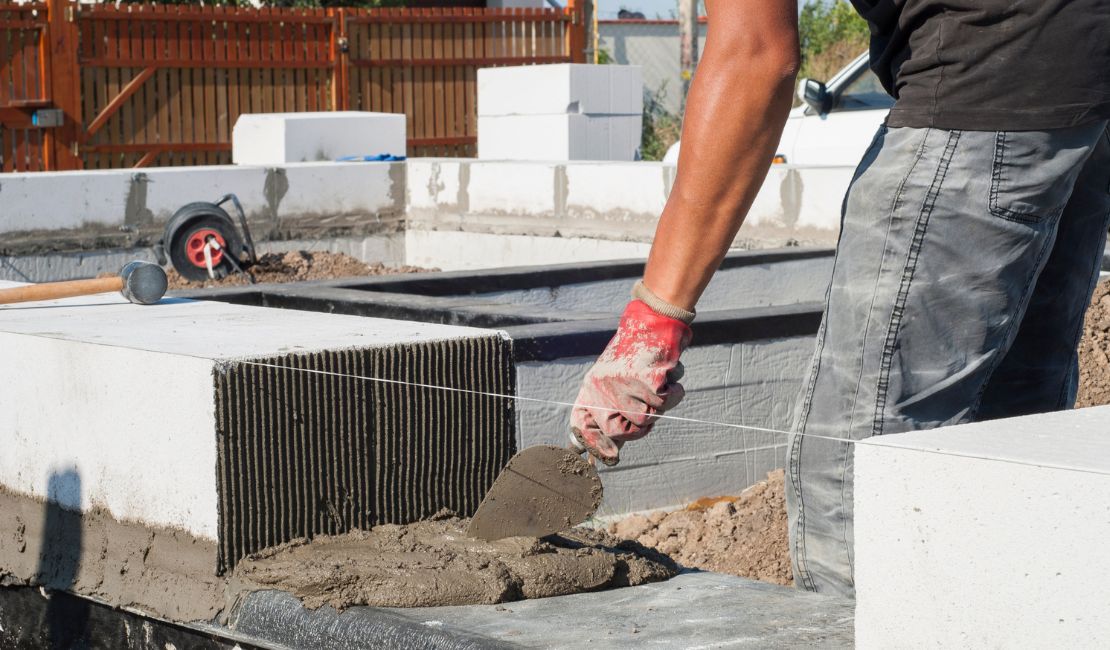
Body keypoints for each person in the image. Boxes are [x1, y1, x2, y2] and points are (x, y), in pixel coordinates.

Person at [568, 0, 1110, 596]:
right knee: (1008, 421)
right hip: (1087, 77)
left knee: (856, 462)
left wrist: (655, 318)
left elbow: (756, 55)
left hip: (988, 64)